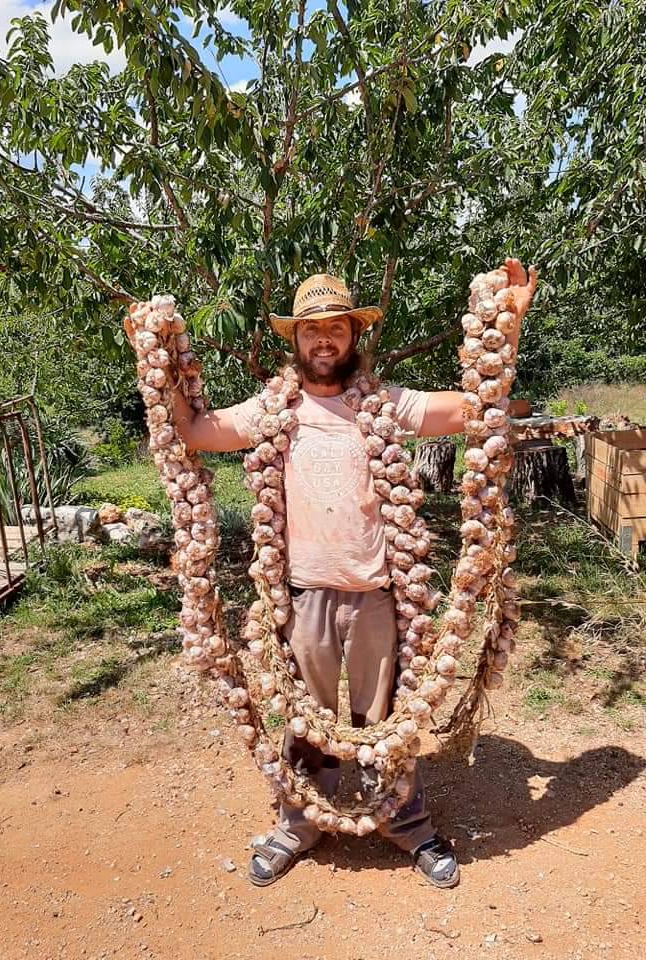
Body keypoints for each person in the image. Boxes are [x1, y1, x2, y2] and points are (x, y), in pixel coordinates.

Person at [170, 261, 537, 888]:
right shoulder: (272, 409)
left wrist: (510, 326)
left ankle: (406, 823)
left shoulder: (384, 405)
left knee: (384, 714)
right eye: (311, 328)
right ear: (295, 339)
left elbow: (477, 407)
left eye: (335, 327)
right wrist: (160, 364)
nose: (323, 340)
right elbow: (198, 431)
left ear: (351, 335)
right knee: (303, 714)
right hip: (304, 591)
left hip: (376, 591)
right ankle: (299, 823)